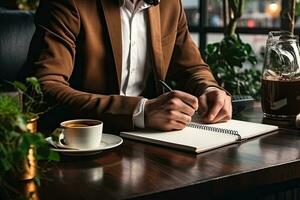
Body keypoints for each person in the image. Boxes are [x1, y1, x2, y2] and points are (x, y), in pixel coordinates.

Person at [26, 0, 232, 132]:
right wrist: (140, 111)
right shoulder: (67, 3)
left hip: (149, 141)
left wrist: (209, 88)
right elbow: (45, 87)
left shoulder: (170, 5)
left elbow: (192, 67)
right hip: (77, 142)